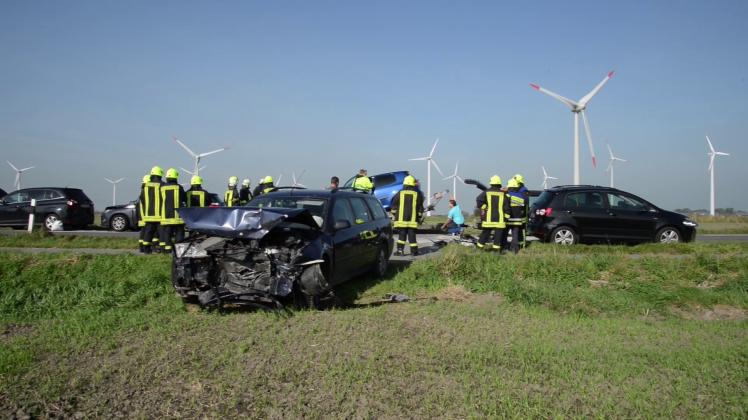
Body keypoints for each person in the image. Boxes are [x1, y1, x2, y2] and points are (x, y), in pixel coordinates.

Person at [391, 175, 424, 256]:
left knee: (401, 235)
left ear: (405, 183)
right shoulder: (417, 194)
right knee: (412, 235)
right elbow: (420, 207)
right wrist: (419, 217)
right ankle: (414, 252)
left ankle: (400, 251)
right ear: (413, 183)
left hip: (401, 220)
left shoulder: (400, 193)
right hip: (412, 220)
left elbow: (394, 204)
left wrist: (395, 214)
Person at [475, 175, 507, 251]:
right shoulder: (503, 194)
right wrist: (506, 217)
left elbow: (478, 200)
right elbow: (507, 207)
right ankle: (496, 252)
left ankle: (478, 249)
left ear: (491, 183)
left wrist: (484, 206)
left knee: (485, 234)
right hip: (500, 220)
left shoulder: (486, 192)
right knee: (498, 237)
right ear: (499, 183)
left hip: (488, 219)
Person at [160, 168, 187, 253]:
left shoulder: (162, 188)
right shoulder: (179, 187)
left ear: (167, 177)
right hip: (178, 216)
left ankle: (168, 250)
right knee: (179, 233)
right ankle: (179, 251)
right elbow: (184, 199)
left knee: (167, 233)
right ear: (176, 177)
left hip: (166, 216)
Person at [139, 166, 164, 254]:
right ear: (160, 175)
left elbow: (142, 198)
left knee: (148, 233)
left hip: (149, 215)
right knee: (161, 233)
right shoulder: (162, 185)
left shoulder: (146, 186)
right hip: (160, 215)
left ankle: (146, 249)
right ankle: (161, 249)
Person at [506, 178, 528, 254]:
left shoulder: (507, 195)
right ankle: (515, 250)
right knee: (515, 235)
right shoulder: (521, 196)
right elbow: (523, 205)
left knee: (504, 234)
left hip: (508, 219)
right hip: (517, 220)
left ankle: (505, 247)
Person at [512, 174, 530, 249]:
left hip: (522, 214)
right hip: (518, 213)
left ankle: (522, 245)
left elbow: (524, 202)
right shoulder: (519, 190)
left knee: (521, 231)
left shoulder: (524, 190)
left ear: (519, 183)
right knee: (518, 231)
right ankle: (518, 244)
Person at [137, 174, 149, 252]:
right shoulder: (147, 190)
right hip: (146, 215)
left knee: (143, 232)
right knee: (147, 232)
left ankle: (141, 247)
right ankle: (144, 248)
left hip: (141, 215)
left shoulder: (142, 190)